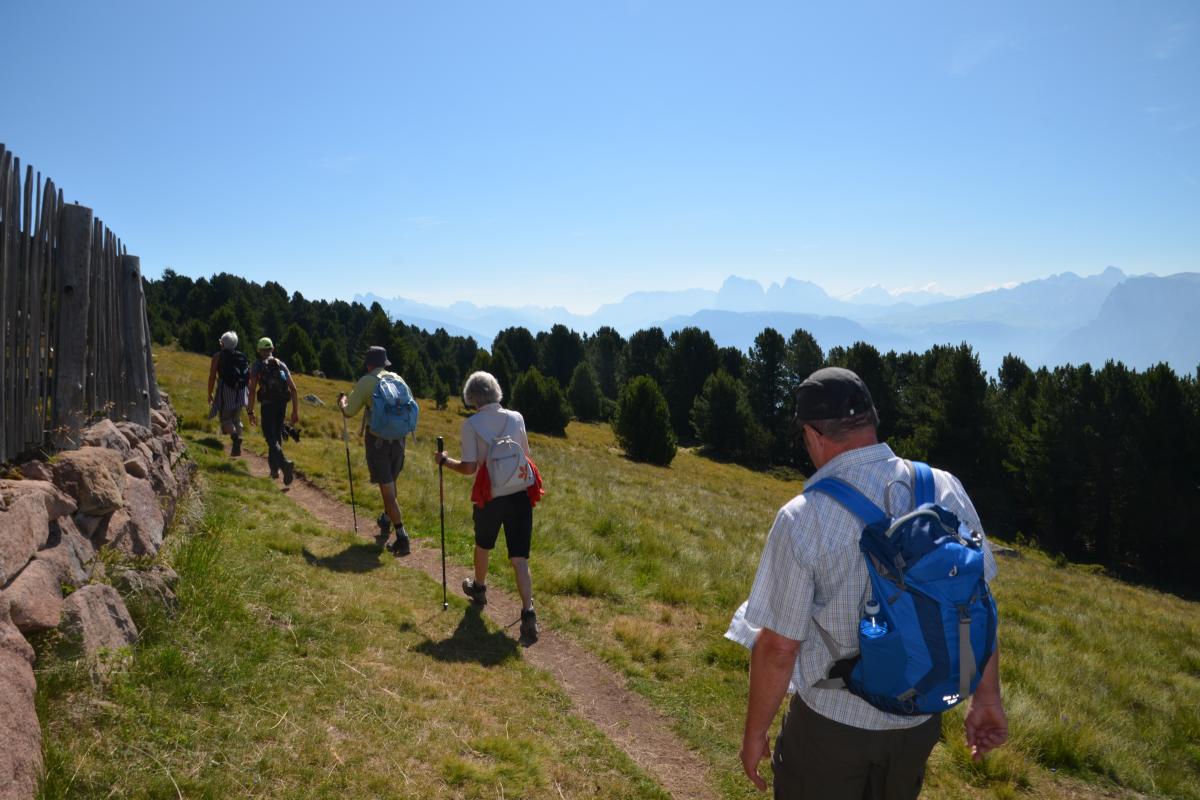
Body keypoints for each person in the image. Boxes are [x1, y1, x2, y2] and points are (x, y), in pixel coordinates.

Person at [739, 367, 1007, 799]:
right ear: (870, 419)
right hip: (918, 724)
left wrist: (755, 733)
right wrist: (987, 697)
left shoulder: (802, 516)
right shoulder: (944, 487)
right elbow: (974, 602)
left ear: (813, 434)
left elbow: (779, 648)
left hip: (831, 729)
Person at [434, 371, 543, 646]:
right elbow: (525, 454)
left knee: (483, 544)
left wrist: (445, 461)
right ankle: (528, 612)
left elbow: (470, 468)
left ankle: (479, 588)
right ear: (496, 391)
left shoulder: (471, 425)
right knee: (520, 559)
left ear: (472, 397)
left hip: (491, 496)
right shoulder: (516, 418)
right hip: (519, 495)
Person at [337, 346, 413, 556]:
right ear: (385, 363)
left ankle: (402, 537)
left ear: (368, 363)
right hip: (399, 440)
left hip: (378, 441)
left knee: (387, 491)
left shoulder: (367, 381)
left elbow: (350, 412)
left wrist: (342, 402)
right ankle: (386, 519)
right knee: (391, 483)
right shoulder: (398, 379)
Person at [245, 337, 300, 486]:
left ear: (259, 350)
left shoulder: (257, 365)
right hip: (282, 404)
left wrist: (250, 412)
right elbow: (294, 389)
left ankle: (284, 464)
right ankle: (274, 471)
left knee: (270, 437)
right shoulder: (281, 364)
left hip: (267, 405)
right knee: (276, 435)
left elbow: (251, 389)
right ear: (272, 349)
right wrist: (295, 411)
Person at [206, 331, 249, 456]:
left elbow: (212, 377)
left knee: (225, 418)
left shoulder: (218, 357)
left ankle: (235, 438)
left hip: (226, 390)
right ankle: (237, 444)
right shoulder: (241, 356)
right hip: (241, 390)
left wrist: (210, 393)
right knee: (236, 418)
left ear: (223, 343)